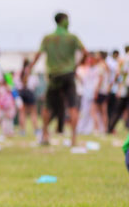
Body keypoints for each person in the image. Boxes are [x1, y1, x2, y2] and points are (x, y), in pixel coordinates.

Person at [28, 12, 87, 146]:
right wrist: (76, 66)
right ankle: (73, 139)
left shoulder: (48, 38)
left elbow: (38, 55)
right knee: (72, 106)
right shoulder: (72, 38)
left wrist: (29, 69)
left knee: (47, 106)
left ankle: (45, 135)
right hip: (68, 74)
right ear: (64, 20)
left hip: (54, 76)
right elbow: (85, 53)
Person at [17, 59, 39, 135]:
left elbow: (16, 84)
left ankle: (22, 130)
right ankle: (36, 129)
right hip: (29, 92)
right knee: (33, 112)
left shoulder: (20, 73)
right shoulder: (31, 73)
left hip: (21, 93)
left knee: (22, 113)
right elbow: (36, 83)